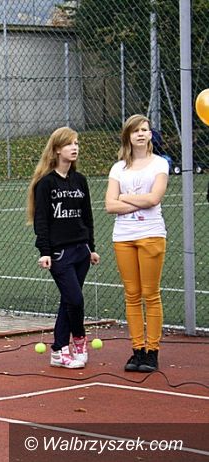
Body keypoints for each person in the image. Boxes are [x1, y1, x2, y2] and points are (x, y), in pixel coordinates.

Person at [26, 127, 100, 369]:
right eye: (69, 144)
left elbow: (87, 217)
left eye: (76, 143)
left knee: (69, 300)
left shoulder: (80, 181)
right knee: (75, 300)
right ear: (57, 149)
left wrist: (91, 248)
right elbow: (41, 221)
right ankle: (73, 341)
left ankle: (62, 350)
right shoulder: (46, 184)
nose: (74, 147)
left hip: (81, 251)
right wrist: (45, 252)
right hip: (60, 253)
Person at [105, 114, 169, 373]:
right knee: (131, 294)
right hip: (123, 237)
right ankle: (137, 350)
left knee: (150, 294)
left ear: (150, 134)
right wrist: (134, 200)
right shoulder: (118, 168)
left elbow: (154, 199)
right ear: (128, 136)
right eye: (135, 131)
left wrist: (125, 197)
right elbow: (110, 205)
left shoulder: (160, 164)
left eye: (144, 130)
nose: (141, 134)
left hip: (151, 234)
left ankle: (152, 352)